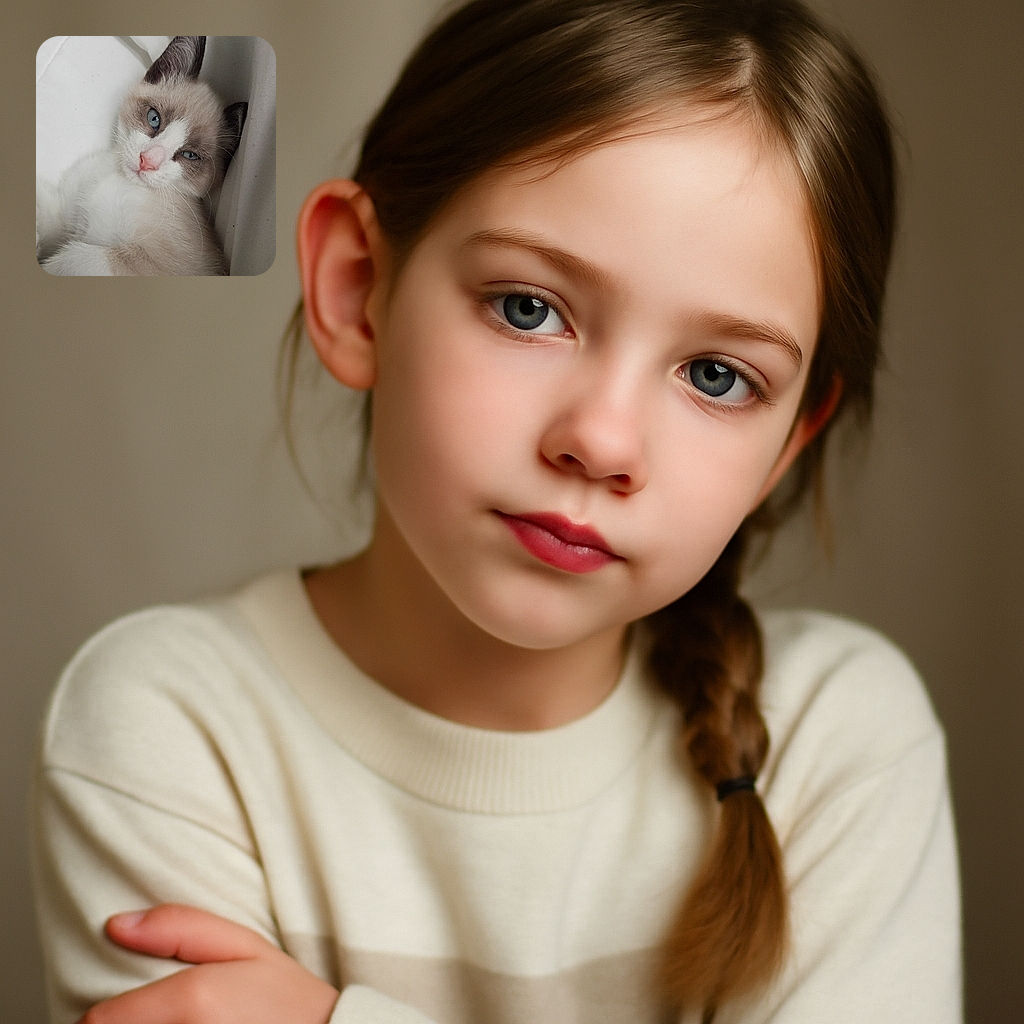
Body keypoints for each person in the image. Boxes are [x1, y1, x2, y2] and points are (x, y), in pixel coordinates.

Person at [31, 1, 961, 1022]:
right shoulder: (169, 725)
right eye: (530, 307)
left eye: (716, 374)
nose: (602, 442)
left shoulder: (839, 743)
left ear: (788, 440)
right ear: (356, 288)